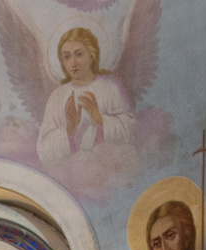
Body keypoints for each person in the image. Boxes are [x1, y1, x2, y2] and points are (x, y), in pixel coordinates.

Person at [35, 27, 133, 164]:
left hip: (108, 167)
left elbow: (132, 133)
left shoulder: (110, 88)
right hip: (72, 171)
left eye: (79, 54)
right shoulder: (57, 96)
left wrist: (99, 119)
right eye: (67, 56)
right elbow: (43, 149)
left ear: (92, 55)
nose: (73, 63)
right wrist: (70, 128)